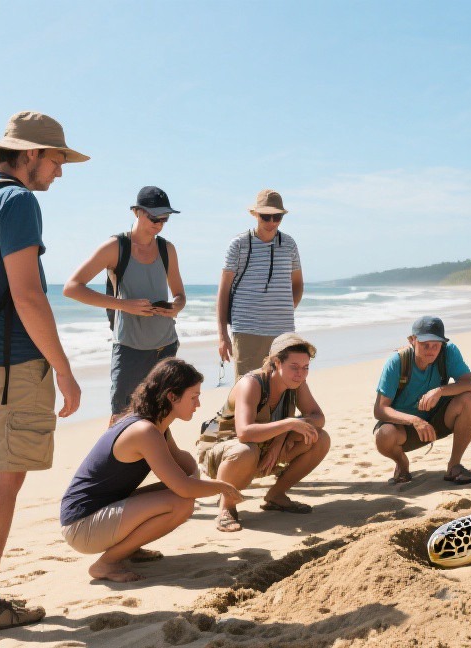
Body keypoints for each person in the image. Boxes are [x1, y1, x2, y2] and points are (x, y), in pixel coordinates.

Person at [0, 111, 87, 637]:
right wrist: (64, 370)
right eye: (56, 159)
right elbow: (27, 294)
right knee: (3, 479)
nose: (60, 171)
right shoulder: (18, 201)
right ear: (29, 155)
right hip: (13, 363)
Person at [60, 358, 243, 582]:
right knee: (181, 503)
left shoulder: (155, 426)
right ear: (171, 397)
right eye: (193, 397)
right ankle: (106, 564)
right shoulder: (144, 431)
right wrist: (222, 487)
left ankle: (128, 549)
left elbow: (184, 465)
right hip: (81, 526)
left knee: (178, 493)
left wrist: (193, 473)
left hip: (99, 513)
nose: (198, 405)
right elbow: (185, 488)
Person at [63, 186, 187, 420]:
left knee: (159, 420)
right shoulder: (115, 247)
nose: (159, 224)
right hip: (129, 348)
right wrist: (124, 305)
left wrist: (175, 307)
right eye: (154, 217)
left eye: (165, 218)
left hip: (167, 346)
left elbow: (180, 295)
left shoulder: (167, 249)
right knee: (120, 419)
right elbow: (71, 288)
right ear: (137, 212)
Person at [196, 333, 330, 532]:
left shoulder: (296, 383)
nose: (300, 373)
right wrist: (288, 425)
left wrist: (284, 433)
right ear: (276, 362)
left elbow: (318, 418)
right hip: (223, 450)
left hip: (261, 446)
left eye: (305, 367)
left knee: (319, 438)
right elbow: (244, 432)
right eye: (294, 366)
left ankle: (276, 496)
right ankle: (226, 506)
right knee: (245, 450)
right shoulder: (252, 383)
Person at [372, 316, 471, 486]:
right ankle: (402, 464)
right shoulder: (397, 362)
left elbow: (470, 384)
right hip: (404, 428)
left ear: (442, 344)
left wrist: (439, 391)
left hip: (438, 419)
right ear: (412, 340)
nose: (430, 350)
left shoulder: (449, 352)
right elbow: (380, 410)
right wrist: (415, 420)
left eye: (435, 345)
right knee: (383, 436)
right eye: (425, 344)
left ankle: (454, 465)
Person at [215, 189, 304, 379]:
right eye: (265, 216)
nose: (271, 222)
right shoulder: (238, 245)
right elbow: (223, 292)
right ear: (255, 214)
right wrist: (222, 336)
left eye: (277, 217)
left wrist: (283, 310)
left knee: (283, 390)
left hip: (283, 333)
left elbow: (297, 284)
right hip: (247, 331)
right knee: (246, 390)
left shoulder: (289, 244)